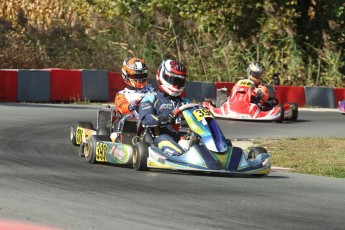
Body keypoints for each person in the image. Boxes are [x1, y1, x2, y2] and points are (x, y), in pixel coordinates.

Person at [138, 59, 189, 156]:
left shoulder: (185, 102)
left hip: (184, 137)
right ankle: (182, 157)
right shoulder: (151, 98)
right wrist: (164, 119)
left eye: (179, 82)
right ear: (162, 76)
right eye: (174, 80)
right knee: (164, 139)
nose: (177, 85)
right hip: (161, 137)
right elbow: (146, 118)